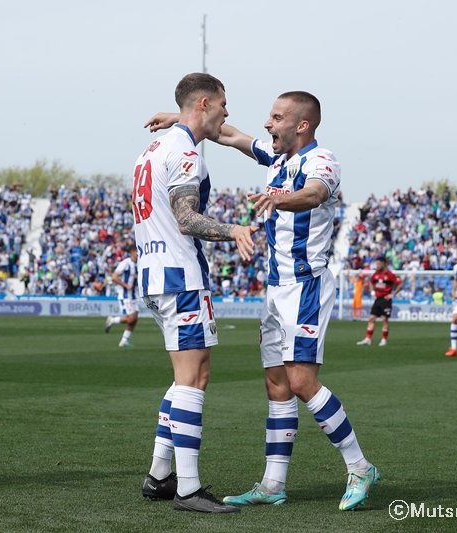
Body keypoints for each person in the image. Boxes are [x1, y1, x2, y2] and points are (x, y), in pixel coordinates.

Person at [145, 91, 380, 511]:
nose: (268, 125)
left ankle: (360, 466)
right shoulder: (276, 160)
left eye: (276, 117)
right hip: (276, 288)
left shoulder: (320, 159)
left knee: (302, 381)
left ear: (302, 124)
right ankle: (273, 484)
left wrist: (278, 199)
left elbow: (315, 194)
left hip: (307, 285)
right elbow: (232, 135)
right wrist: (179, 118)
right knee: (275, 385)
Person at [136, 73, 257, 514]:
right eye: (223, 103)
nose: (227, 112)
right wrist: (233, 229)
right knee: (195, 378)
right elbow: (186, 218)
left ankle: (159, 476)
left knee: (182, 377)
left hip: (151, 273)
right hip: (180, 277)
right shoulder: (185, 151)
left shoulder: (153, 150)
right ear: (205, 102)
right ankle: (188, 488)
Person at [357, 256, 403, 346]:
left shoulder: (389, 274)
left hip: (386, 300)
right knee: (371, 318)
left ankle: (384, 340)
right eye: (376, 263)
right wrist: (373, 292)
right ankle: (368, 339)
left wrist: (393, 294)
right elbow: (371, 282)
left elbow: (400, 284)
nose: (377, 265)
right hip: (377, 299)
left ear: (384, 264)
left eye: (378, 263)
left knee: (384, 319)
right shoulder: (376, 274)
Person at [105, 245, 139, 347]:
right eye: (137, 251)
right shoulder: (125, 263)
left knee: (135, 319)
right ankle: (112, 320)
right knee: (131, 319)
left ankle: (124, 341)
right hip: (125, 295)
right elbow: (114, 277)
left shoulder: (140, 263)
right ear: (132, 252)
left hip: (134, 295)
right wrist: (125, 285)